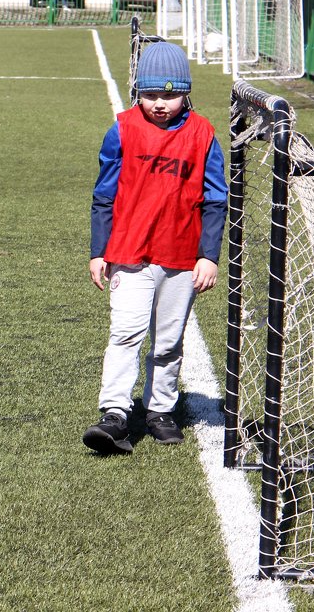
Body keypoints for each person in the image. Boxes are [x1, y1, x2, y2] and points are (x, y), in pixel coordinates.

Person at [83, 41, 227, 454]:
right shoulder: (123, 129)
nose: (160, 104)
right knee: (126, 333)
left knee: (168, 341)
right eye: (150, 95)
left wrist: (208, 255)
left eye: (169, 94)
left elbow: (216, 198)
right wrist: (98, 250)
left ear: (186, 93)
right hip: (130, 253)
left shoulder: (202, 134)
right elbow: (104, 195)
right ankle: (114, 412)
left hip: (181, 257)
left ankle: (160, 409)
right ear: (137, 93)